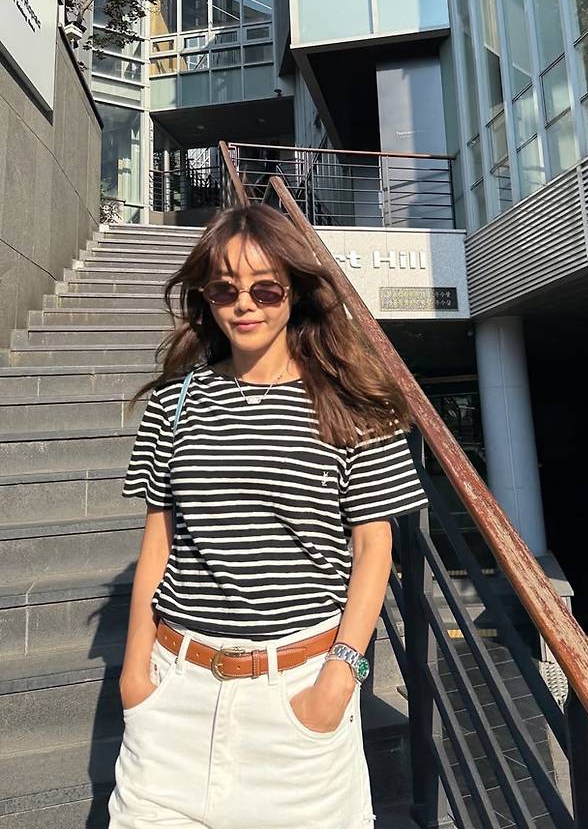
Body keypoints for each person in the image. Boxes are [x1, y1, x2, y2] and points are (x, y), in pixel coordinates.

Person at [108, 203, 428, 828]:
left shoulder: (350, 402)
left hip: (298, 699)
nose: (244, 305)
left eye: (265, 289)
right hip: (175, 697)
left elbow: (374, 549)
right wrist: (134, 674)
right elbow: (158, 542)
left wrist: (340, 677)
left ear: (295, 294)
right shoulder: (175, 403)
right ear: (206, 298)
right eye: (224, 290)